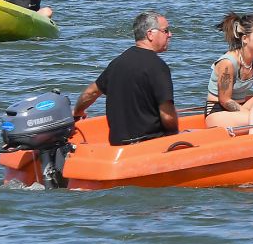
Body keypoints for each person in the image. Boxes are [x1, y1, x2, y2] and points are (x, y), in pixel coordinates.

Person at [73, 11, 179, 146]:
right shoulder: (158, 66)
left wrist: (77, 113)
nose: (170, 34)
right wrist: (175, 136)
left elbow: (90, 93)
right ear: (150, 34)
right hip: (150, 145)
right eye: (166, 31)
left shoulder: (117, 63)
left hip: (118, 145)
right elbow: (168, 116)